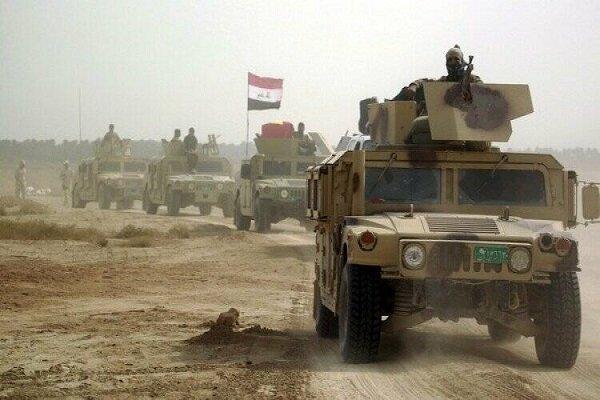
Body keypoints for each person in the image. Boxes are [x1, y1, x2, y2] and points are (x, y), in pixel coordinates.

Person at [392, 45, 482, 115]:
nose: (453, 62)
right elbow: (425, 82)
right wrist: (414, 86)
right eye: (449, 60)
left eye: (456, 59)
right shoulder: (443, 82)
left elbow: (484, 95)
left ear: (462, 62)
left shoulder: (472, 79)